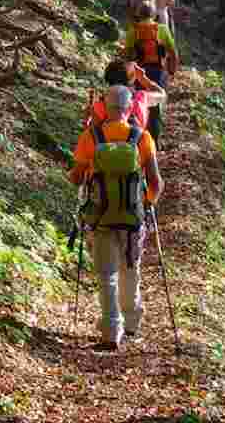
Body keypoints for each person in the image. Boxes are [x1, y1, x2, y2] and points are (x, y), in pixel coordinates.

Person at [69, 85, 162, 351]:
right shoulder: (142, 138)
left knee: (106, 274)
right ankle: (131, 323)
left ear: (105, 107)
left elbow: (76, 176)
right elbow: (156, 182)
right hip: (132, 218)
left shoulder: (91, 137)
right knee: (130, 269)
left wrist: (80, 175)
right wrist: (145, 204)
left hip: (100, 217)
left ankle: (111, 332)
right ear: (130, 107)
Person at [125, 0, 180, 145]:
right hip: (158, 71)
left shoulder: (133, 31)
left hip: (139, 72)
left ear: (138, 13)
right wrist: (172, 68)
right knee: (155, 106)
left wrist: (128, 74)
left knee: (139, 103)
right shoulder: (162, 29)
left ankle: (138, 139)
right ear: (155, 14)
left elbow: (127, 54)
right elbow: (173, 51)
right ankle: (154, 142)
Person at [85, 59, 167, 141]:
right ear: (132, 80)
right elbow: (162, 94)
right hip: (135, 148)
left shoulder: (101, 103)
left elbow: (93, 133)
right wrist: (143, 79)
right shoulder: (140, 98)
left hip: (105, 150)